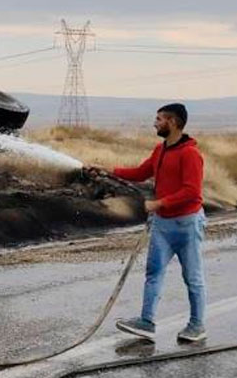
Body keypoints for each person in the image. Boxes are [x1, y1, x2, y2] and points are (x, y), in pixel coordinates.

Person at [85, 103, 207, 343]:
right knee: (154, 273)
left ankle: (197, 325)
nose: (155, 122)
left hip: (187, 224)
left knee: (192, 277)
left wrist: (159, 203)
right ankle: (146, 322)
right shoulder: (159, 151)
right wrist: (107, 171)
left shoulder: (190, 154)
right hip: (162, 225)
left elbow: (192, 192)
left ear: (172, 122)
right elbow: (140, 173)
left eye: (159, 119)